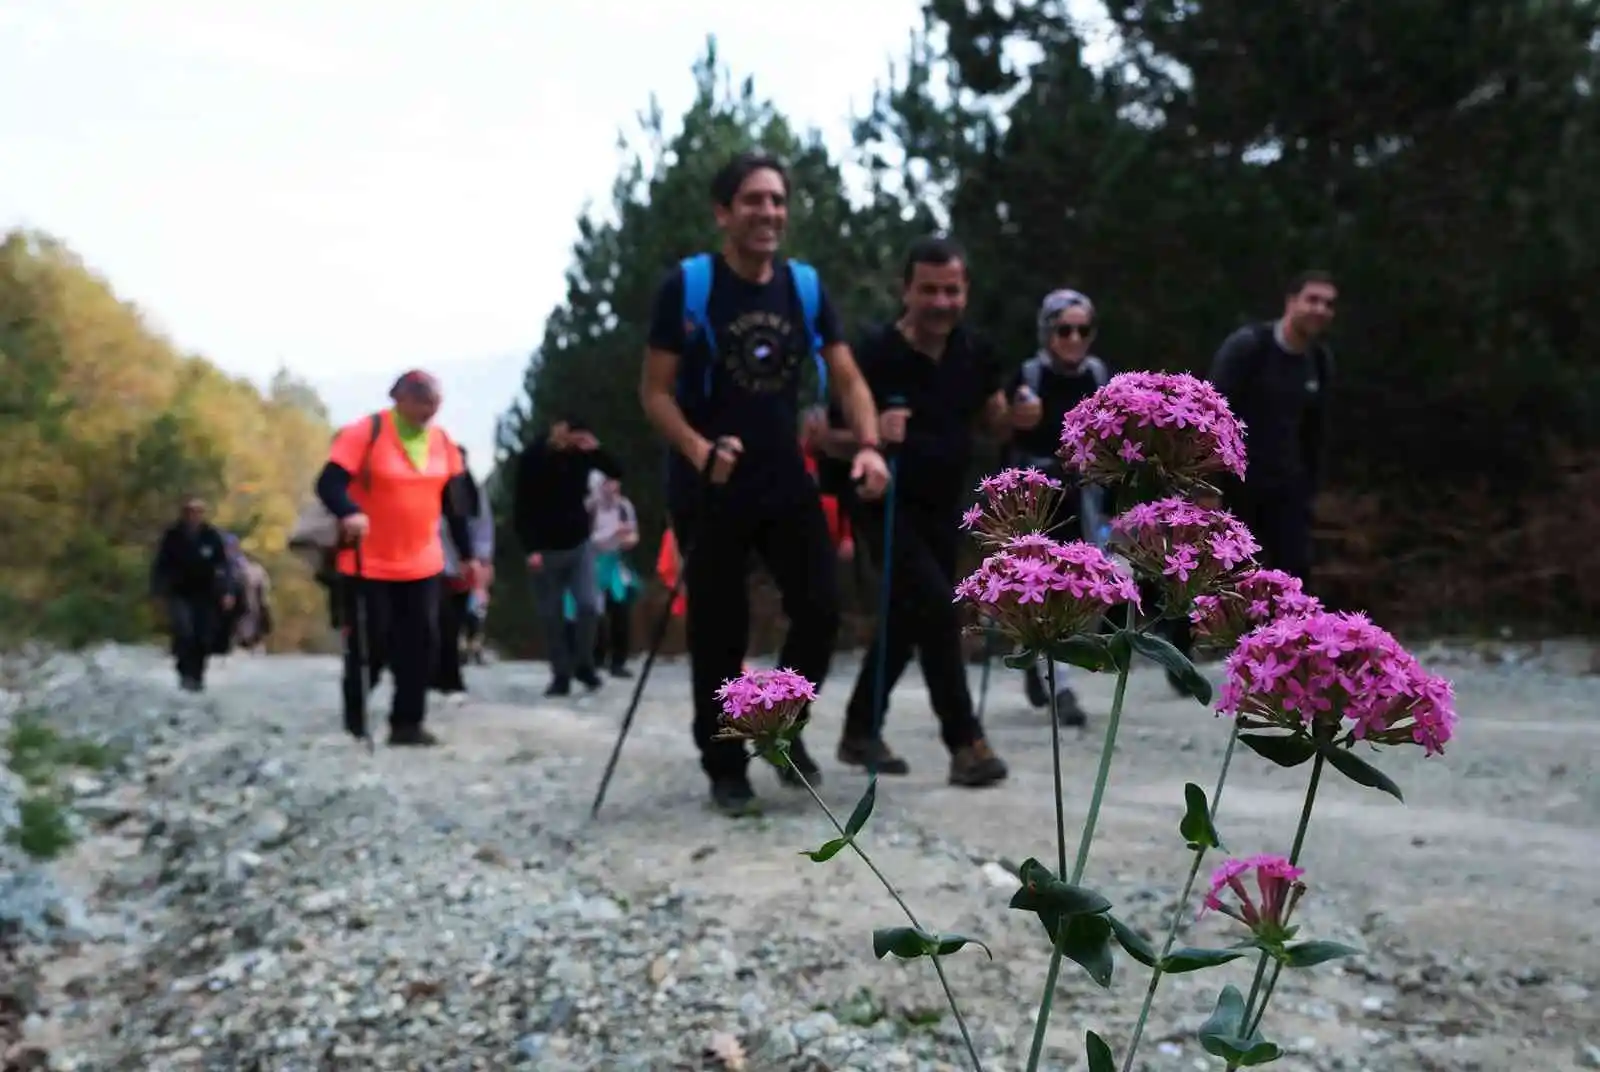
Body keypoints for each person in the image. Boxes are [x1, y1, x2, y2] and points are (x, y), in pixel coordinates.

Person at [639, 149, 890, 816]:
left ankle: (779, 727)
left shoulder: (803, 287)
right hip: (709, 482)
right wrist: (698, 449)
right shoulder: (689, 287)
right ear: (724, 212)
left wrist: (868, 447)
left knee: (820, 608)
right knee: (719, 630)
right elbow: (655, 393)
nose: (768, 212)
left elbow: (847, 377)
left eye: (777, 200)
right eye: (753, 200)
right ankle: (725, 765)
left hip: (784, 473)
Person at [814, 236, 1012, 787]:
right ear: (907, 290)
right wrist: (869, 440)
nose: (941, 302)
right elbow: (824, 437)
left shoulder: (975, 354)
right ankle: (965, 742)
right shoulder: (873, 353)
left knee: (908, 616)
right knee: (936, 607)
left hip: (944, 505)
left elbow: (994, 421)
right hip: (884, 503)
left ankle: (859, 730)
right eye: (929, 290)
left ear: (965, 292)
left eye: (952, 290)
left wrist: (1016, 416)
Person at [313, 370, 485, 747]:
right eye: (422, 403)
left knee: (421, 642)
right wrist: (349, 511)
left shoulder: (442, 442)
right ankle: (356, 720)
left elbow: (455, 506)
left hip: (422, 561)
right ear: (400, 399)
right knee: (371, 642)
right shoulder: (366, 432)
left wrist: (469, 556)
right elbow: (328, 483)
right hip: (369, 560)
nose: (429, 413)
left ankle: (407, 723)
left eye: (434, 405)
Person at [1006, 288, 1114, 723]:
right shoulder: (1028, 375)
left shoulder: (1097, 374)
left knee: (1079, 588)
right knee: (1045, 586)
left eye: (1082, 329)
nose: (1074, 338)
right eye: (1064, 329)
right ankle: (1061, 684)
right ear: (1048, 331)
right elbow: (1009, 436)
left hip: (1084, 496)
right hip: (1041, 497)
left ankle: (1036, 656)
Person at [1207, 270, 1336, 585]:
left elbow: (1314, 432)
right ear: (1291, 302)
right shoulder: (1250, 347)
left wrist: (1309, 491)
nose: (1320, 309)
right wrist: (1206, 486)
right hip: (1237, 490)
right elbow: (1211, 412)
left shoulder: (1318, 360)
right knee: (1234, 581)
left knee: (1294, 577)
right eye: (1313, 299)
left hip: (1288, 493)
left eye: (1329, 304)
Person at [511, 415, 621, 697]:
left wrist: (595, 449)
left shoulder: (581, 457)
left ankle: (584, 663)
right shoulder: (533, 456)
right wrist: (530, 548)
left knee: (589, 606)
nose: (570, 438)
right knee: (552, 615)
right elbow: (521, 506)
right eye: (567, 432)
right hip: (544, 549)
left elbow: (615, 471)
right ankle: (560, 674)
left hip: (578, 544)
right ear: (555, 429)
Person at [149, 496, 236, 692]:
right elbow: (160, 565)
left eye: (198, 511)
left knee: (203, 636)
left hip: (206, 594)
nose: (194, 515)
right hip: (179, 592)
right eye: (190, 511)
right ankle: (184, 671)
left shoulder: (212, 536)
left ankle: (198, 674)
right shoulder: (172, 536)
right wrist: (157, 590)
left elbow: (224, 565)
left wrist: (228, 591)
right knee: (184, 630)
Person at [433, 447, 495, 700]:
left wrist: (480, 559)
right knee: (435, 622)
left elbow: (483, 526)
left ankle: (450, 676)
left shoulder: (472, 491)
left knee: (454, 623)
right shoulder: (430, 487)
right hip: (432, 563)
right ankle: (434, 673)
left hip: (462, 565)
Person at [587, 473, 642, 677]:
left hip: (616, 564)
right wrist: (612, 533)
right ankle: (595, 657)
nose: (612, 486)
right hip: (593, 563)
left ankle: (618, 660)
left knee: (620, 610)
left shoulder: (623, 506)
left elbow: (633, 534)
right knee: (595, 613)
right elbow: (587, 538)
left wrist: (627, 538)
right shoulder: (591, 508)